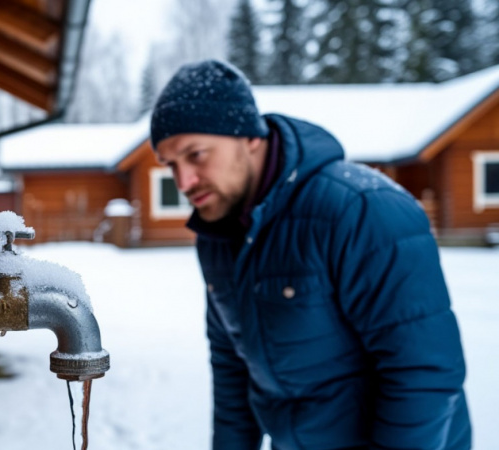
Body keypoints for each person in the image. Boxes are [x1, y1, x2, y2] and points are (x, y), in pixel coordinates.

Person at [150, 60, 470, 449]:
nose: (183, 181)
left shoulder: (361, 211)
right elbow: (233, 367)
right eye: (171, 165)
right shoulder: (217, 235)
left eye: (196, 155)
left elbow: (423, 373)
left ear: (250, 136)